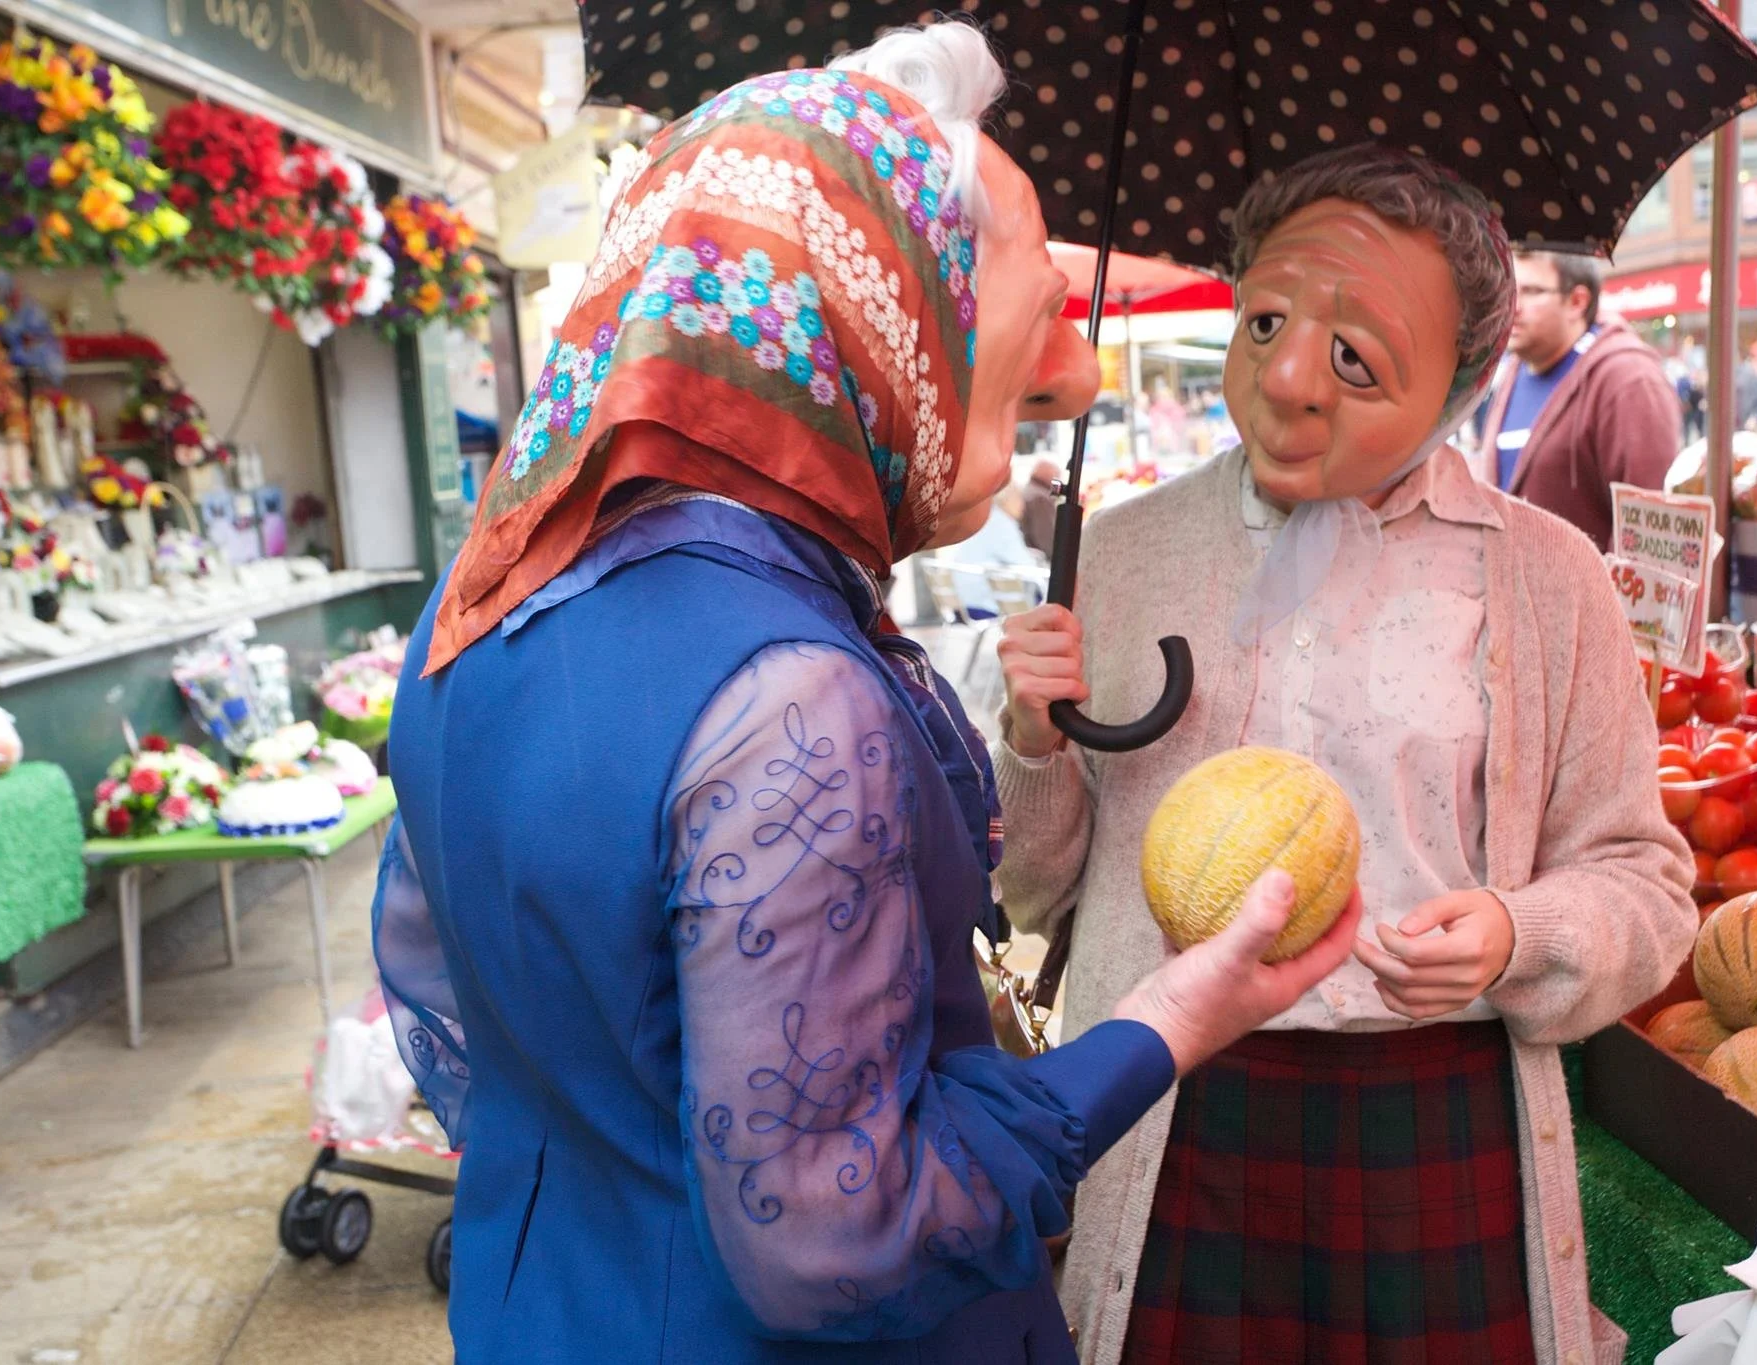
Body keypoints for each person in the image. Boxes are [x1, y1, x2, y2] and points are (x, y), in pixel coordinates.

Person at [371, 26, 1361, 1363]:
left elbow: (450, 999)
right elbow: (839, 1240)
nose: (1070, 377)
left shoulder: (478, 596)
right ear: (874, 322)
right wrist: (1176, 1016)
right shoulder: (791, 701)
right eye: (1029, 319)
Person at [993, 147, 1696, 1365]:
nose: (1286, 382)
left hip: (1438, 1117)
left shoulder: (1546, 578)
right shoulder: (1119, 553)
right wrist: (1030, 740)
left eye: (1356, 358)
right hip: (1173, 1112)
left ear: (1462, 381)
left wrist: (1516, 934)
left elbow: (1643, 881)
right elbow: (1031, 892)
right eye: (1263, 323)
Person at [1476, 249, 1681, 551]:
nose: (1513, 306)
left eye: (1532, 292)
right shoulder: (1512, 372)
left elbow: (1650, 534)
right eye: (1510, 290)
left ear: (1577, 302)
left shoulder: (1628, 379)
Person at [1018, 456, 1062, 557]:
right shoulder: (1040, 499)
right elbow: (1046, 539)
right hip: (1035, 559)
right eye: (1057, 477)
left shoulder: (1029, 491)